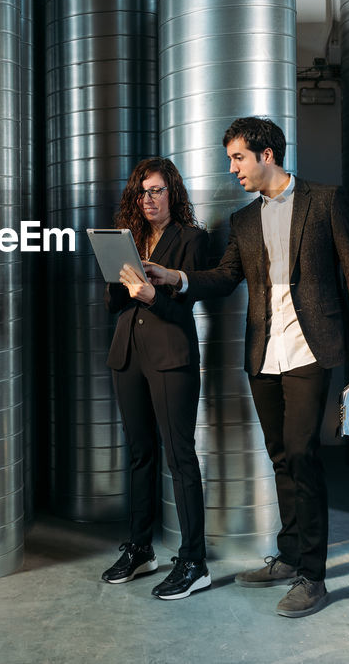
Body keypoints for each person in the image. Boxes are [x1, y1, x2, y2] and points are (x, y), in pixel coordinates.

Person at [144, 117, 349, 618]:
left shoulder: (326, 201)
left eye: (237, 158)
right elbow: (224, 277)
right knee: (279, 455)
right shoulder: (244, 221)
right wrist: (177, 277)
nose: (232, 168)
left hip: (312, 348)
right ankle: (291, 553)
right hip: (263, 351)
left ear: (266, 155)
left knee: (302, 454)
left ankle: (313, 577)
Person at [100, 157, 211, 600]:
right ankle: (141, 549)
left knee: (180, 459)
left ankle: (193, 561)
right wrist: (119, 280)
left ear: (173, 193)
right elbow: (114, 305)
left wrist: (151, 295)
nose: (149, 199)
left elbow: (186, 307)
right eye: (142, 191)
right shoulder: (129, 239)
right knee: (140, 455)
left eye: (157, 190)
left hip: (171, 357)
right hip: (127, 355)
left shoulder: (192, 241)